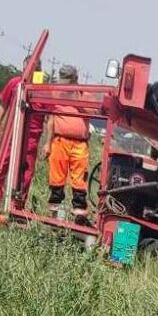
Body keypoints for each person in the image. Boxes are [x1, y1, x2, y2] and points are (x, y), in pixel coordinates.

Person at [0, 57, 46, 213]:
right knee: (0, 165)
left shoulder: (43, 89)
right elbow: (3, 104)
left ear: (38, 70)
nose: (29, 72)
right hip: (12, 132)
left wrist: (48, 142)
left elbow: (49, 117)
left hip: (31, 136)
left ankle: (16, 208)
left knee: (26, 173)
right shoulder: (15, 83)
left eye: (33, 69)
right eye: (27, 68)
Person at [44, 65, 91, 220]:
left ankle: (79, 212)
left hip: (79, 143)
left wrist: (78, 101)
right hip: (60, 141)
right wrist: (47, 143)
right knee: (57, 175)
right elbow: (51, 119)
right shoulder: (56, 93)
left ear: (75, 79)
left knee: (79, 177)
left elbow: (94, 111)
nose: (65, 84)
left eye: (68, 81)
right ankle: (55, 212)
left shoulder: (85, 94)